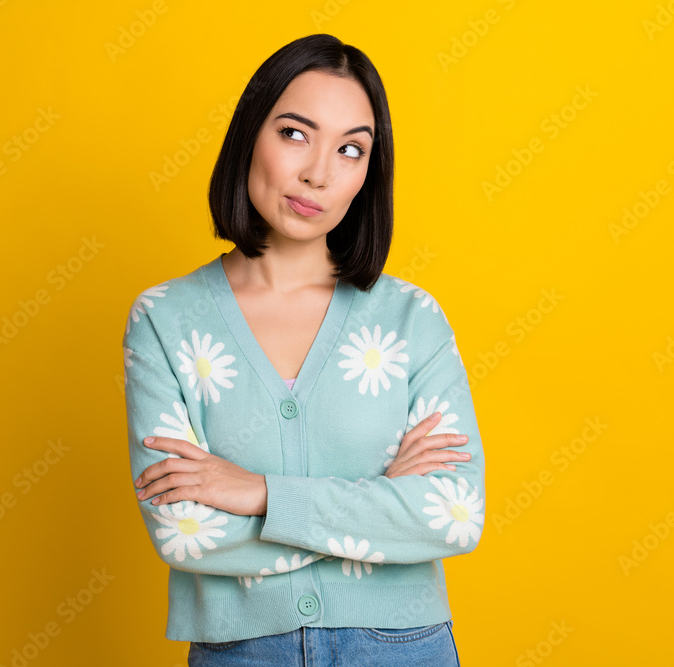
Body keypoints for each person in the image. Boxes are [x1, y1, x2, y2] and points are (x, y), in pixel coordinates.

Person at [123, 33, 485, 666]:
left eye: (351, 149)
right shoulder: (166, 319)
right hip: (241, 652)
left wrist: (259, 494)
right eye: (295, 133)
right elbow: (185, 535)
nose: (319, 171)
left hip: (404, 648)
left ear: (368, 174)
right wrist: (379, 503)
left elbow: (453, 516)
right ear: (248, 136)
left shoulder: (410, 319)